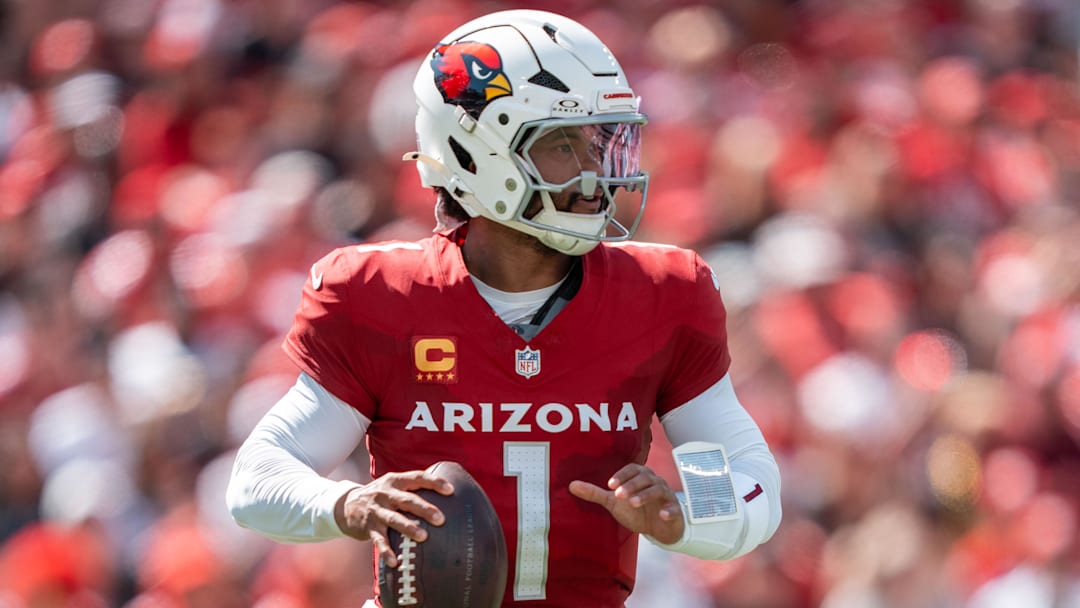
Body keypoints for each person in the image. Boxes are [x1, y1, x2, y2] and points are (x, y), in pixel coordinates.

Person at [226, 9, 781, 607]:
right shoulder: (380, 296)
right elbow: (256, 479)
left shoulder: (663, 293)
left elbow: (754, 487)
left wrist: (683, 518)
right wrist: (345, 503)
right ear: (475, 153)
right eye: (564, 144)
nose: (596, 172)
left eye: (601, 141)